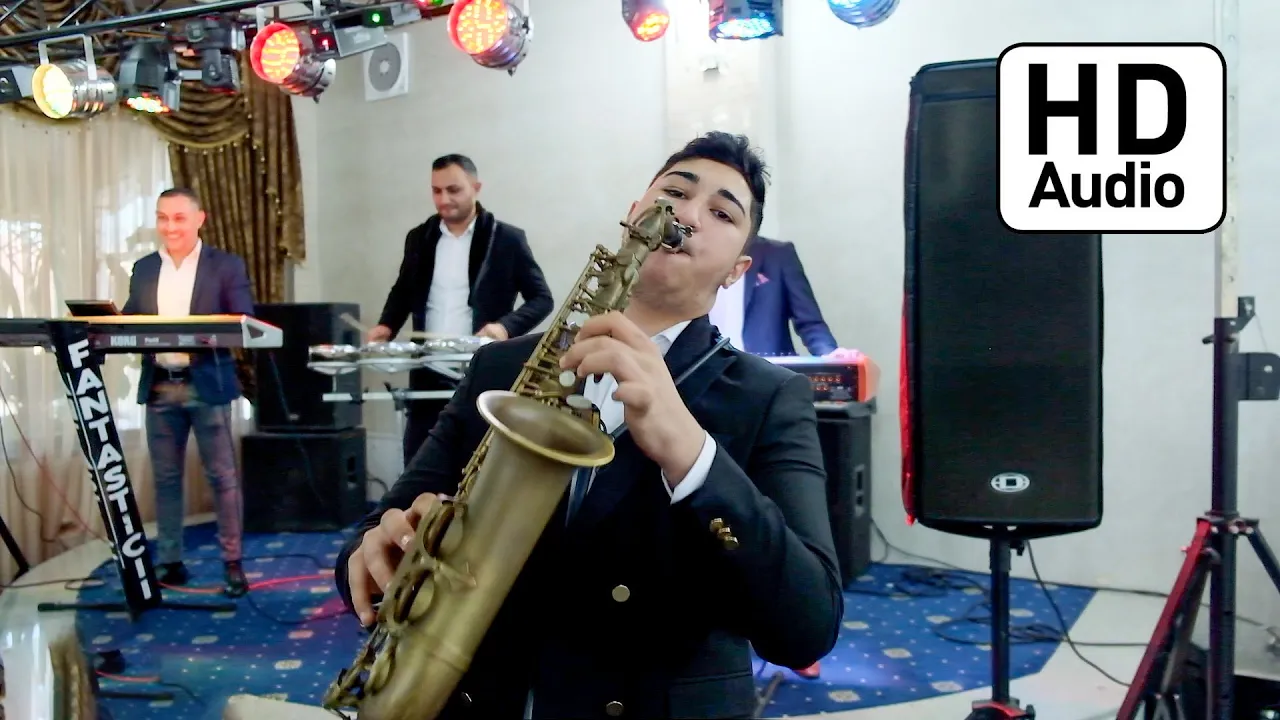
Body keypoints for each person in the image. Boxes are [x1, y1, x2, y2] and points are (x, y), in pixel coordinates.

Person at [335, 132, 843, 719]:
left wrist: (693, 455)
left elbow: (807, 629)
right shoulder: (499, 367)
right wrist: (383, 551)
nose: (686, 214)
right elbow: (367, 540)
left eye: (722, 213)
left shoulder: (771, 396)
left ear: (737, 270)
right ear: (634, 215)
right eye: (675, 192)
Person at [369, 154, 554, 464]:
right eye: (436, 191)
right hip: (427, 370)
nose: (444, 199)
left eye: (453, 190)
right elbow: (403, 291)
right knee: (419, 462)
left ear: (476, 188)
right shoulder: (419, 238)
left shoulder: (506, 239)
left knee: (476, 463)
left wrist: (504, 327)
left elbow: (542, 298)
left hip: (480, 368)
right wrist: (386, 326)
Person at [122, 187, 254, 597]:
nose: (170, 226)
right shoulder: (144, 268)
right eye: (163, 218)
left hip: (207, 382)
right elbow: (130, 320)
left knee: (222, 477)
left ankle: (232, 563)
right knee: (165, 478)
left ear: (200, 219)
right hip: (160, 384)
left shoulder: (225, 265)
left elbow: (244, 318)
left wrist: (208, 330)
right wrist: (101, 322)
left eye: (179, 218)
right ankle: (170, 560)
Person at [709, 235, 841, 357]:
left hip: (768, 367)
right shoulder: (699, 253)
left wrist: (829, 354)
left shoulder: (778, 254)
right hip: (706, 367)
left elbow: (810, 322)